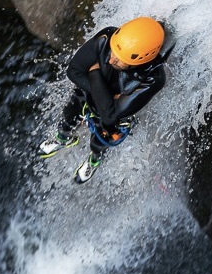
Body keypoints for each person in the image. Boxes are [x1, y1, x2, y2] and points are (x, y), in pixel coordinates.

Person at [39, 17, 168, 183]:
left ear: (140, 61)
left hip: (108, 113)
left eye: (120, 59)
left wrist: (93, 73)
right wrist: (106, 95)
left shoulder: (153, 78)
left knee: (104, 134)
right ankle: (64, 138)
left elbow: (110, 115)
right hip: (88, 94)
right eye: (114, 51)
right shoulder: (108, 38)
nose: (111, 58)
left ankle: (94, 159)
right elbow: (73, 71)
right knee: (70, 114)